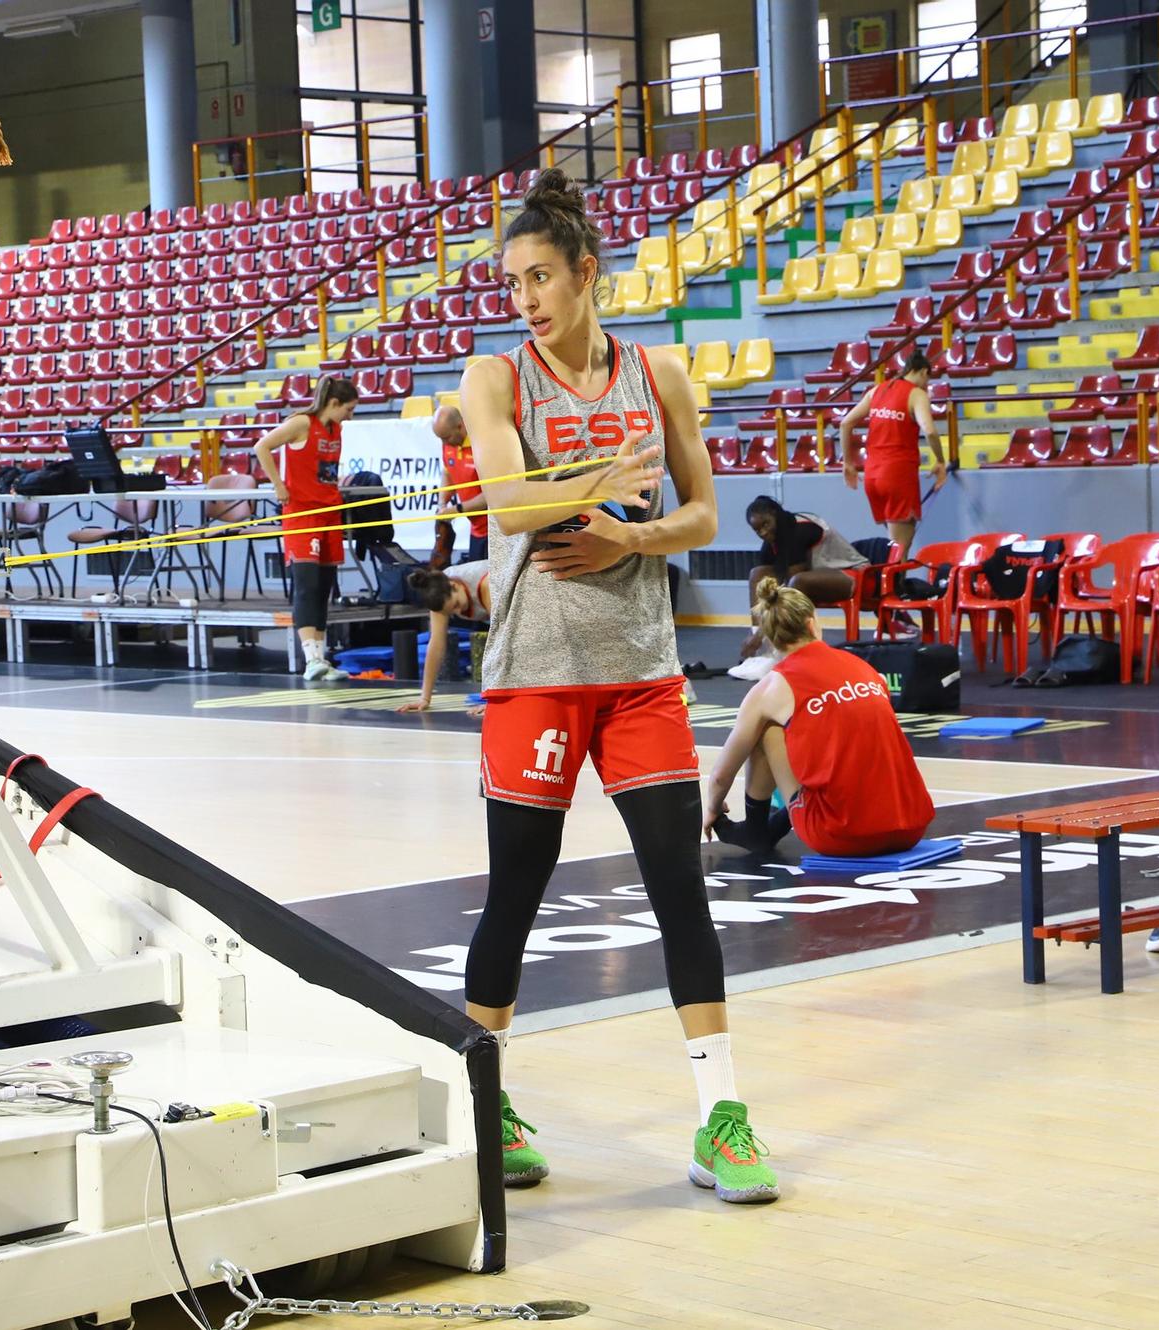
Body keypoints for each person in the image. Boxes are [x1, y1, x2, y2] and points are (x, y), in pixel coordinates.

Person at [457, 168, 777, 1205]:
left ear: (586, 272)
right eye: (512, 285)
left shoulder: (660, 374)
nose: (525, 299)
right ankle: (485, 1101)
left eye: (541, 277)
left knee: (678, 887)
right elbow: (507, 503)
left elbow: (702, 514)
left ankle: (720, 1120)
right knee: (518, 887)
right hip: (536, 677)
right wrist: (599, 482)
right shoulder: (494, 379)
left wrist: (626, 536)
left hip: (640, 673)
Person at [704, 577, 935, 859]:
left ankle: (756, 828)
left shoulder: (770, 688)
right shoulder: (864, 667)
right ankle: (768, 825)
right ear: (812, 623)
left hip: (843, 836)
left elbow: (719, 777)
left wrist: (712, 810)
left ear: (770, 638)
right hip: (911, 827)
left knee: (768, 728)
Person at [253, 375, 360, 681]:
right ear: (334, 403)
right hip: (302, 514)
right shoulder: (301, 424)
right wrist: (278, 486)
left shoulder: (335, 428)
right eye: (348, 410)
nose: (350, 417)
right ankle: (310, 658)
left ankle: (322, 659)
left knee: (325, 587)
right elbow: (263, 446)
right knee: (307, 585)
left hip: (330, 512)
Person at [733, 495, 869, 677]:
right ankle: (765, 652)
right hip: (816, 577)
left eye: (765, 524)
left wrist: (763, 634)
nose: (763, 533)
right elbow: (770, 587)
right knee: (758, 574)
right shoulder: (771, 544)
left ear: (776, 514)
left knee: (797, 582)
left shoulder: (800, 529)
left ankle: (781, 648)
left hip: (851, 575)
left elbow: (787, 589)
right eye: (757, 530)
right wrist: (757, 633)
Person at [838, 348, 947, 555]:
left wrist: (848, 463)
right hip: (897, 476)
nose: (927, 385)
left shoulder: (877, 390)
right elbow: (930, 431)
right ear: (923, 372)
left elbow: (845, 424)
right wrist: (940, 461)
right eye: (928, 379)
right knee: (898, 551)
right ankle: (892, 588)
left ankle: (893, 585)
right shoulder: (917, 394)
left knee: (897, 542)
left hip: (873, 477)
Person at [395, 560, 492, 714]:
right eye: (452, 612)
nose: (458, 611)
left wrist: (494, 701)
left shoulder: (485, 584)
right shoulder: (438, 591)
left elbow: (502, 638)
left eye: (456, 605)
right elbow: (436, 645)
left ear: (455, 585)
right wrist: (425, 698)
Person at [432, 404, 489, 561]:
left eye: (446, 437)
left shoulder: (482, 444)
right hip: (476, 530)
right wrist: (442, 503)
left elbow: (493, 494)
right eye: (441, 439)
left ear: (460, 425)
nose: (444, 443)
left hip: (495, 529)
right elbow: (448, 473)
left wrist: (457, 509)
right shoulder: (448, 444)